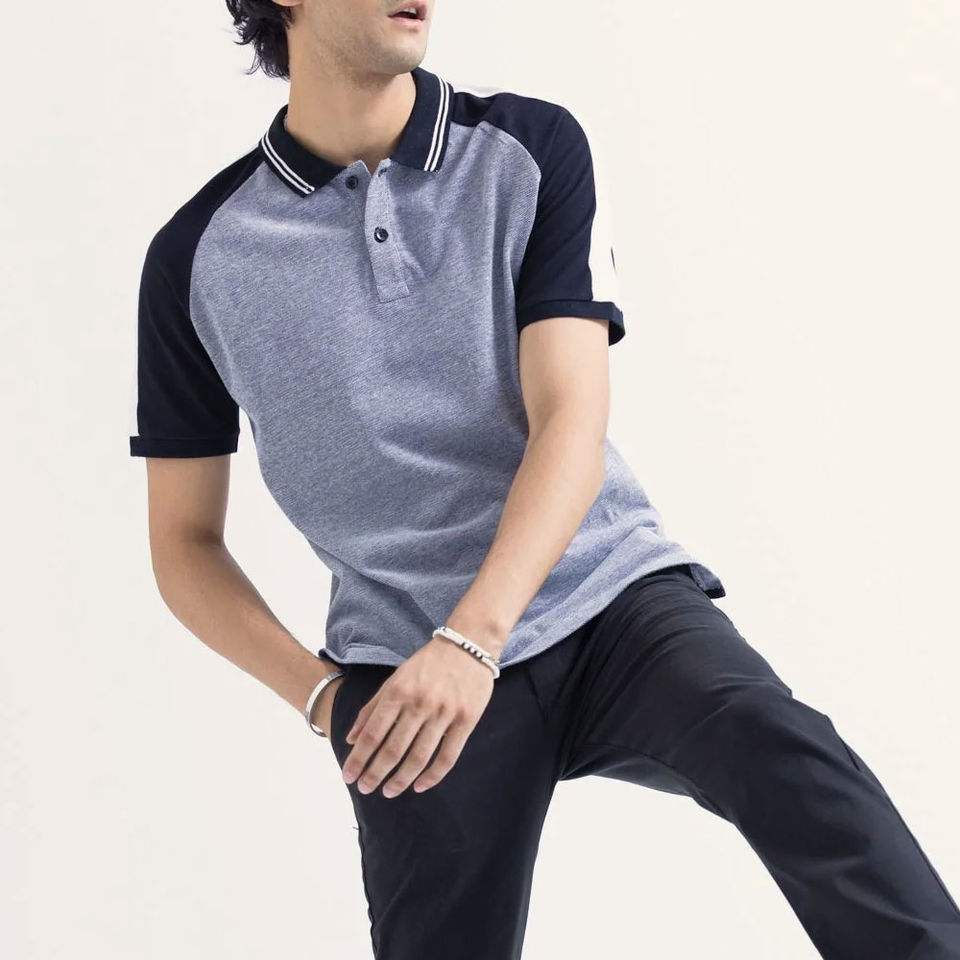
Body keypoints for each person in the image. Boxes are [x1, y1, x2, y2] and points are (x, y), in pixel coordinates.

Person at [128, 1, 960, 957]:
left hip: (604, 599)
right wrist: (324, 699)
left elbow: (571, 417)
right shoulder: (197, 259)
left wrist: (473, 641)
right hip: (404, 667)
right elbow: (184, 544)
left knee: (784, 751)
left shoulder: (527, 148)